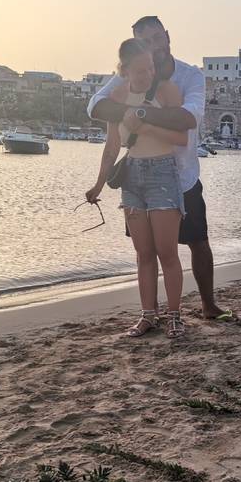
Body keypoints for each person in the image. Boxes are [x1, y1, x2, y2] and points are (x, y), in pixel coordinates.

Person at [88, 16, 232, 321]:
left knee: (198, 242)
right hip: (139, 176)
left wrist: (139, 115)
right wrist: (134, 112)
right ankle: (149, 314)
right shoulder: (131, 76)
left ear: (167, 36)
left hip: (183, 174)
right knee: (146, 251)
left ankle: (208, 304)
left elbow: (188, 119)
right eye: (146, 42)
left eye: (157, 38)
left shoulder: (190, 76)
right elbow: (96, 106)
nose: (155, 46)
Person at [87, 39, 188, 338]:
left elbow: (182, 137)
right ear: (124, 70)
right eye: (140, 70)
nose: (147, 75)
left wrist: (146, 127)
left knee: (167, 252)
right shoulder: (117, 97)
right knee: (143, 253)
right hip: (132, 177)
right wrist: (98, 184)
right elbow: (112, 146)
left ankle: (174, 316)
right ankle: (147, 316)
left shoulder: (166, 91)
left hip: (163, 173)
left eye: (150, 68)